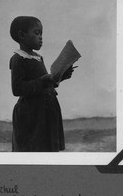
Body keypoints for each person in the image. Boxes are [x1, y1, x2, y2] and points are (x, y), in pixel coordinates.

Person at [9, 16, 74, 152]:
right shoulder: (18, 59)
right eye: (37, 33)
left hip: (47, 111)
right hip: (32, 114)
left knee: (48, 148)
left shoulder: (38, 58)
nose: (41, 38)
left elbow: (46, 84)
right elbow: (17, 89)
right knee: (33, 148)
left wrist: (61, 76)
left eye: (41, 34)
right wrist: (43, 80)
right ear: (22, 35)